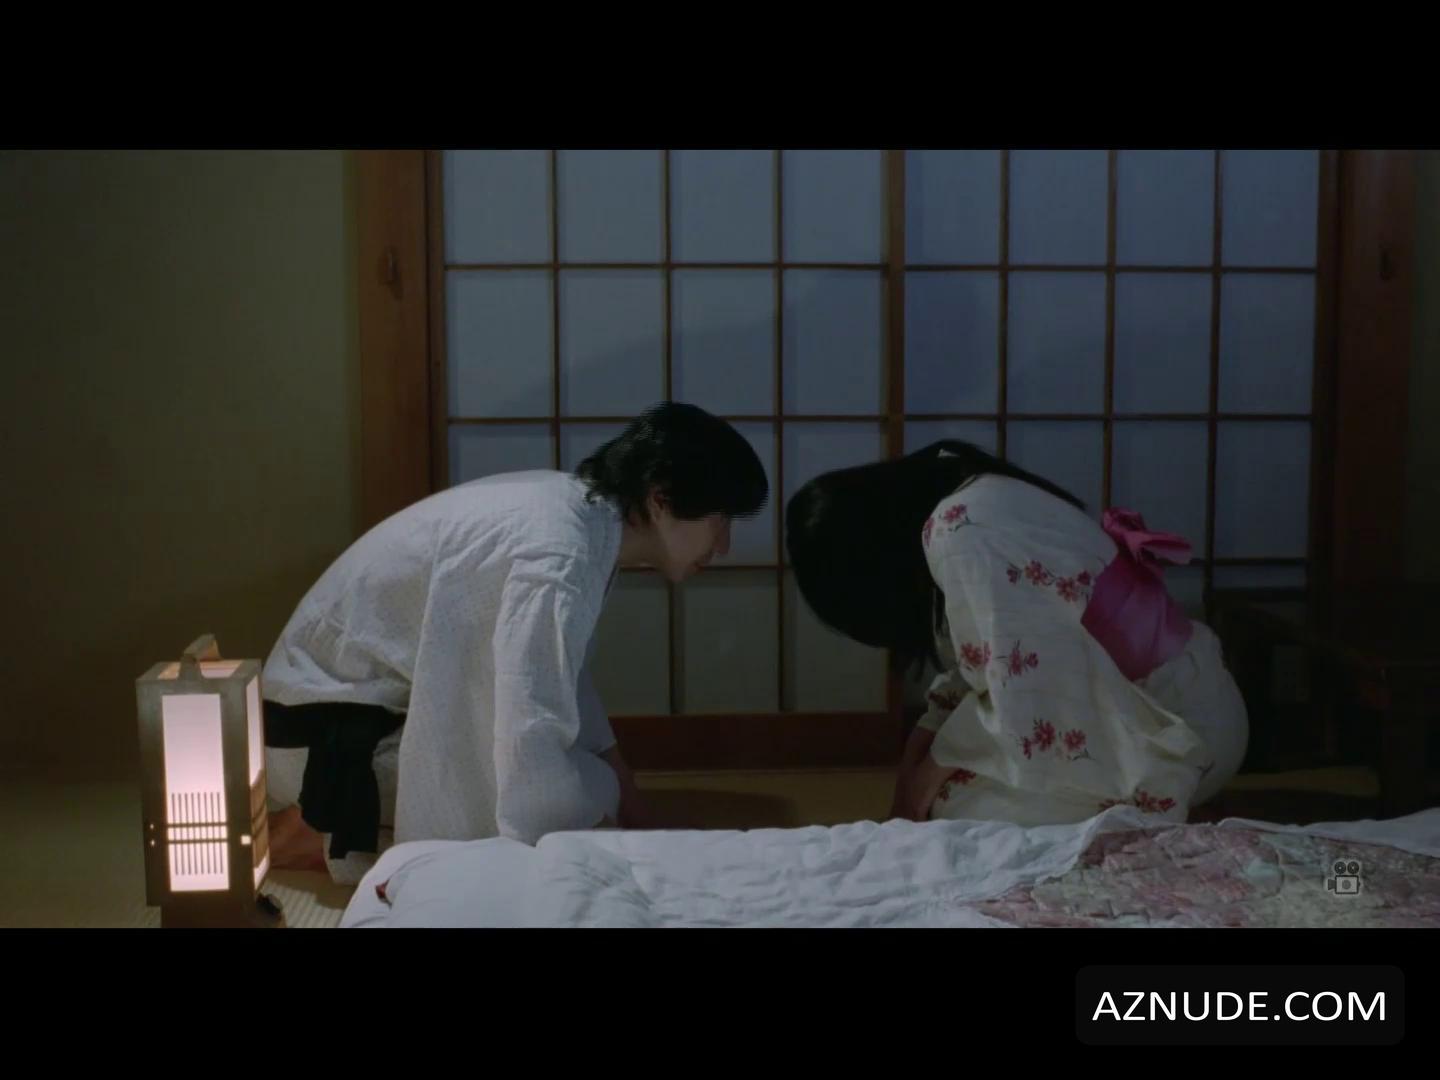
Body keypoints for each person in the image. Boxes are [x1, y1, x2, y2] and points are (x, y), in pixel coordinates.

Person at [261, 402, 769, 881]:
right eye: (719, 521)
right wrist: (596, 829)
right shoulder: (559, 554)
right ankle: (328, 830)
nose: (723, 545)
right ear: (661, 500)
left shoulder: (577, 517)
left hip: (351, 708)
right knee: (564, 797)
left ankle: (345, 824)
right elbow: (530, 736)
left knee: (593, 783)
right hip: (328, 739)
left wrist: (633, 805)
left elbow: (564, 684)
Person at [785, 440, 1247, 828]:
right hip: (1169, 697)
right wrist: (913, 771)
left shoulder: (963, 531)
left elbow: (1029, 691)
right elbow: (985, 675)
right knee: (945, 797)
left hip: (1176, 727)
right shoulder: (969, 499)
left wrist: (927, 776)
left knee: (960, 811)